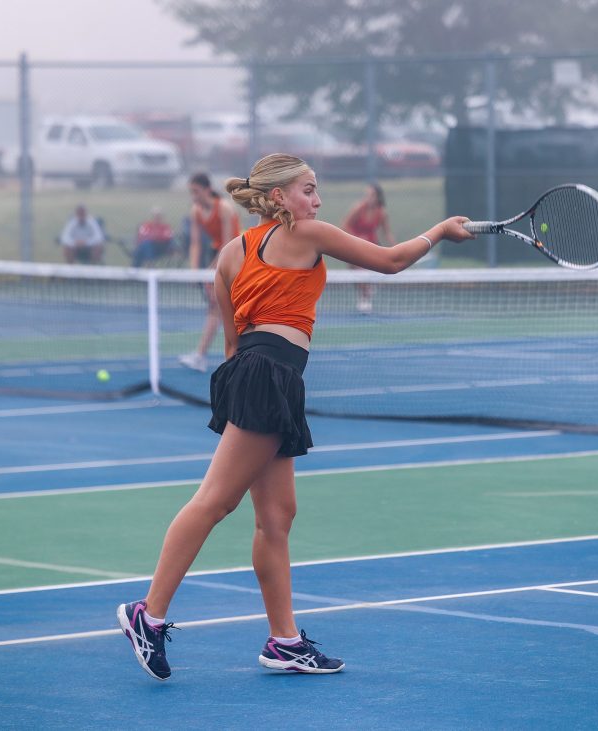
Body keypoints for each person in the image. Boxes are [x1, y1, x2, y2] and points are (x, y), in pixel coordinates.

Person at [117, 153, 473, 681]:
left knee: (277, 517)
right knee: (215, 501)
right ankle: (148, 614)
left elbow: (232, 345)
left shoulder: (230, 254)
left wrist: (251, 394)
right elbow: (392, 261)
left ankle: (284, 642)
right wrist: (440, 230)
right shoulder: (306, 234)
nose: (318, 200)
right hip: (269, 378)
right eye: (309, 189)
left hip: (258, 376)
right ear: (279, 196)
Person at [178, 172, 241, 372]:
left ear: (207, 189)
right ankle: (201, 356)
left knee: (237, 311)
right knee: (216, 308)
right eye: (191, 192)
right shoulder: (195, 211)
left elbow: (227, 244)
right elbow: (195, 244)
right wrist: (194, 271)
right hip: (218, 256)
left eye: (196, 191)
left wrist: (211, 271)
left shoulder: (224, 209)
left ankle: (232, 355)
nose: (193, 196)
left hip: (238, 256)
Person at [341, 183, 396, 312]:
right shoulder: (358, 208)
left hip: (370, 245)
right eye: (367, 195)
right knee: (356, 274)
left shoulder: (381, 213)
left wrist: (396, 247)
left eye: (371, 195)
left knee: (361, 273)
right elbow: (345, 226)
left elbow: (387, 232)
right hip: (353, 245)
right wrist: (356, 239)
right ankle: (366, 292)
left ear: (377, 197)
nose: (368, 198)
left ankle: (365, 298)